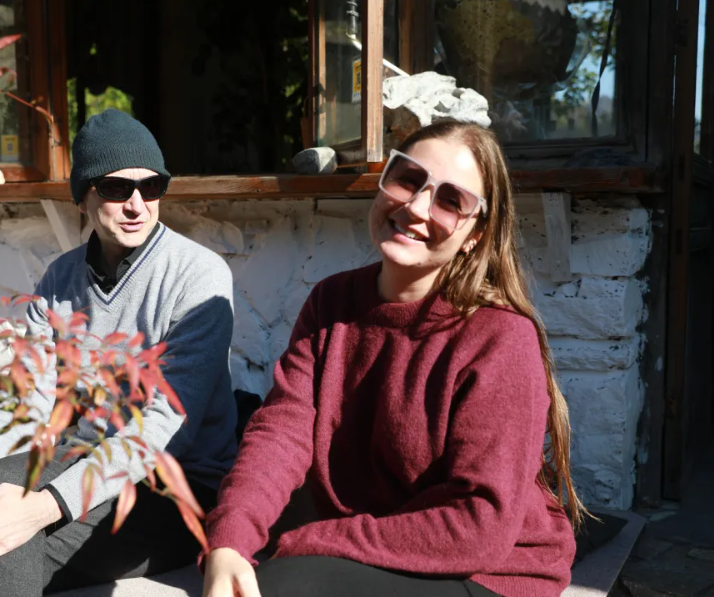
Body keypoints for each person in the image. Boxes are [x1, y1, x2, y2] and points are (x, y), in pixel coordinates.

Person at [202, 120, 581, 597]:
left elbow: (478, 523)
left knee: (289, 586)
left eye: (451, 201)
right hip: (380, 538)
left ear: (475, 235)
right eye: (408, 179)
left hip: (485, 569)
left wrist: (311, 543)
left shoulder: (500, 338)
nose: (416, 207)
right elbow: (282, 431)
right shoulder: (332, 302)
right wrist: (229, 540)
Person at [0, 109, 239, 596]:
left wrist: (45, 506)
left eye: (151, 187)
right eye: (116, 188)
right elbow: (26, 402)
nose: (137, 205)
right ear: (83, 197)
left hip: (175, 489)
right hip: (80, 459)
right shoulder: (60, 278)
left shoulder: (199, 276)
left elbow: (165, 427)